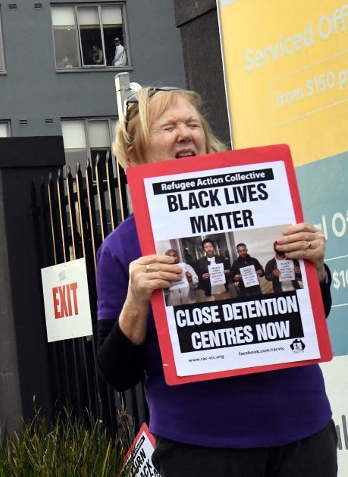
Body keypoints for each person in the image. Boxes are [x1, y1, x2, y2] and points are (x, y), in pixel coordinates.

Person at [95, 86, 336, 477]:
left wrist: (316, 269)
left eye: (192, 124)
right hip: (199, 446)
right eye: (168, 126)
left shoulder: (269, 208)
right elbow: (116, 374)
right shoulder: (121, 247)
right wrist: (137, 299)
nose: (185, 133)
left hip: (303, 432)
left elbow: (314, 316)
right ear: (134, 153)